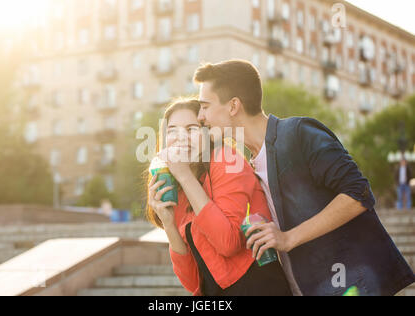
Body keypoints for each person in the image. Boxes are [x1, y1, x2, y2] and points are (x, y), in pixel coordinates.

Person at [193, 59, 415, 296]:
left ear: (233, 105)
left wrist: (287, 238)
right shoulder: (249, 165)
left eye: (205, 106)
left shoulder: (299, 133)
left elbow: (358, 195)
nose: (200, 116)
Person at [146, 99, 292, 296]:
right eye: (172, 130)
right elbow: (193, 282)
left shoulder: (226, 161)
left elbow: (228, 243)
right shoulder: (177, 188)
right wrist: (169, 223)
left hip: (257, 287)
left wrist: (184, 175)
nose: (181, 137)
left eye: (191, 129)